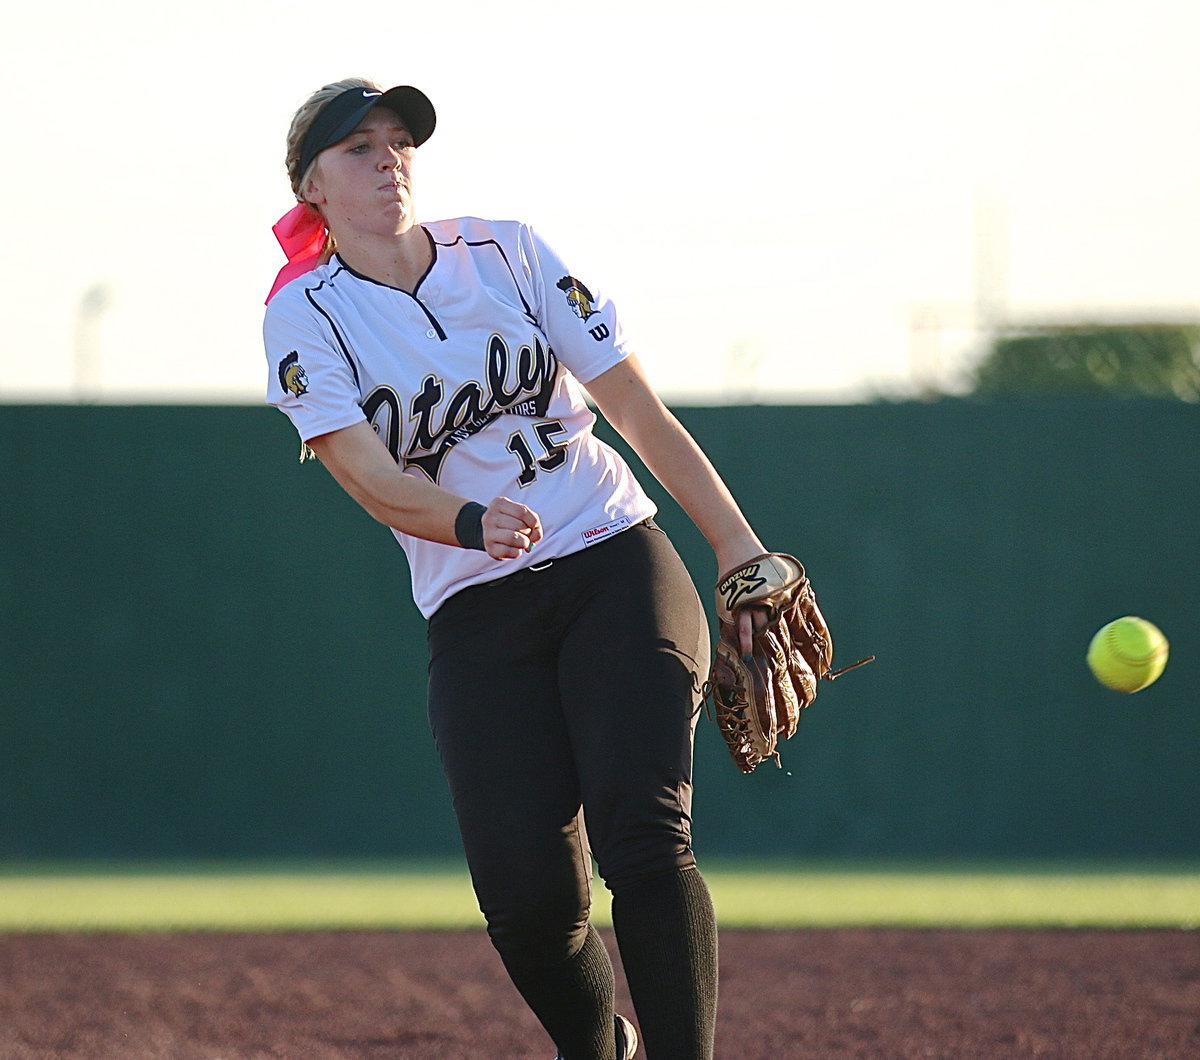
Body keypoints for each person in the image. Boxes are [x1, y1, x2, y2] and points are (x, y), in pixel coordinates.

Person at [263, 78, 772, 1060]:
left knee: (646, 841)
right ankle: (600, 1048)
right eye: (359, 147)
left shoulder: (506, 251)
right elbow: (368, 478)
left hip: (613, 557)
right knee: (528, 901)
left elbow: (636, 409)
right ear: (312, 186)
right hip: (475, 606)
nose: (389, 159)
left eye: (398, 140)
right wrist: (467, 518)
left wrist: (735, 541)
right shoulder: (307, 319)